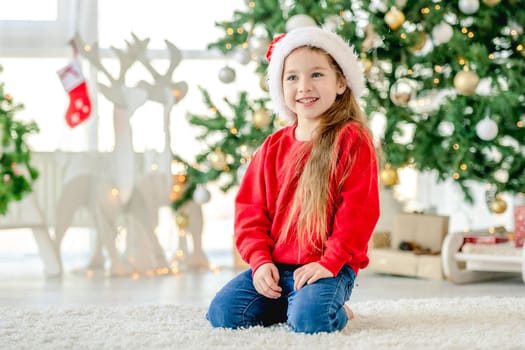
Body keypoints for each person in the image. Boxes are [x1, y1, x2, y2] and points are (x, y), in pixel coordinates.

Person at [206, 26, 380, 334]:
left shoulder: (352, 139)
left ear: (341, 82)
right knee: (223, 313)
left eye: (316, 75)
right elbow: (250, 210)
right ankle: (293, 302)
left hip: (329, 267)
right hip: (277, 266)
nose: (304, 86)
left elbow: (359, 211)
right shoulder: (273, 147)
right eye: (292, 77)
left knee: (312, 321)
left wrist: (331, 262)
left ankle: (329, 308)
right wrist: (260, 262)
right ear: (280, 86)